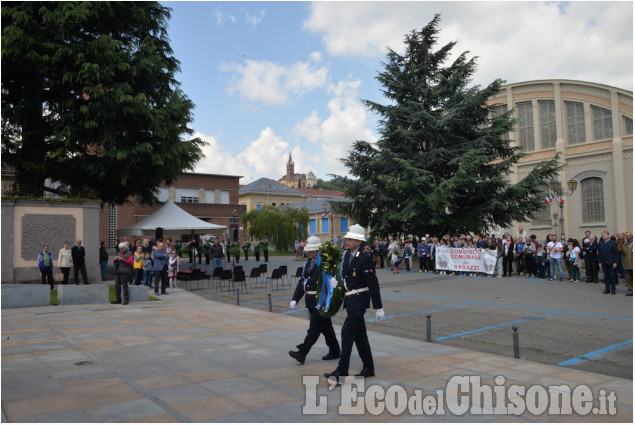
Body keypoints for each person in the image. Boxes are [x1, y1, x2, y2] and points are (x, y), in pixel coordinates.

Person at [324, 224, 384, 384]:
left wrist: (378, 307)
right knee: (360, 336)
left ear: (358, 242)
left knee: (346, 333)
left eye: (350, 239)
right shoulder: (347, 256)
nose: (346, 240)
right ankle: (368, 367)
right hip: (350, 301)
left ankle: (341, 372)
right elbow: (345, 277)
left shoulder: (364, 258)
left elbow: (373, 283)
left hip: (359, 301)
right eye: (347, 238)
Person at [288, 236, 341, 364]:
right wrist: (295, 298)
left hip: (322, 301)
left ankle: (302, 352)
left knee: (314, 327)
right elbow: (303, 282)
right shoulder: (308, 263)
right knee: (326, 328)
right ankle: (335, 351)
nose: (308, 252)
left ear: (318, 250)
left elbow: (330, 282)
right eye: (308, 250)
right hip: (310, 300)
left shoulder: (324, 263)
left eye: (311, 250)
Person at [598, 230, 619, 294]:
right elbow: (599, 253)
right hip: (604, 262)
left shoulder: (613, 243)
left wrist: (615, 262)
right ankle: (607, 289)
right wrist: (599, 262)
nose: (603, 236)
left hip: (611, 262)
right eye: (602, 235)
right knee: (606, 276)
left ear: (608, 235)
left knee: (612, 276)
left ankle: (613, 289)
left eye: (604, 235)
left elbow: (616, 253)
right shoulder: (601, 243)